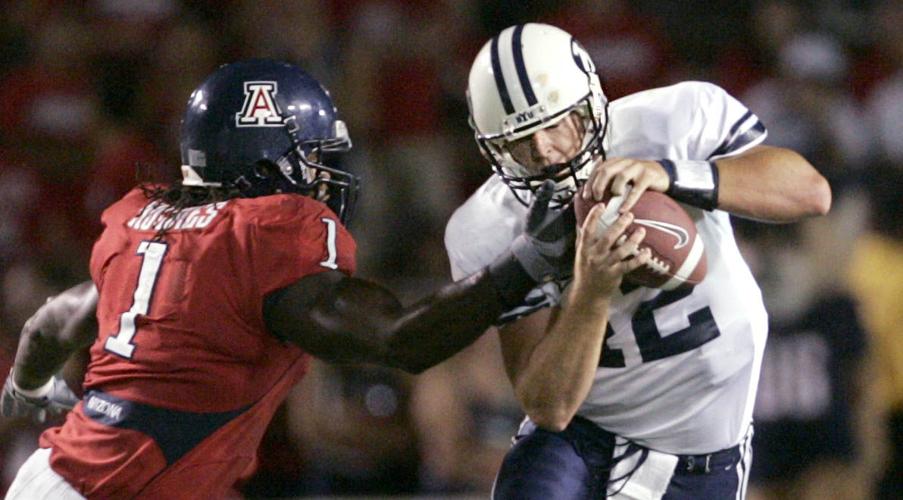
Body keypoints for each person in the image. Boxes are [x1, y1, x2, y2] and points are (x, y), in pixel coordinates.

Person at [0, 58, 645, 499]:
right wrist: (527, 262)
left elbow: (56, 317)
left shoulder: (146, 225)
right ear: (265, 154)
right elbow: (399, 339)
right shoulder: (262, 234)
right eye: (309, 158)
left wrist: (28, 387)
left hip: (52, 478)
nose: (320, 176)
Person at [445, 23, 831, 499]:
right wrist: (591, 289)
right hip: (580, 438)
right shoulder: (488, 225)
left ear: (591, 102)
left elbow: (809, 192)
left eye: (554, 125)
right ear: (491, 149)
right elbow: (549, 406)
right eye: (520, 141)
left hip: (702, 450)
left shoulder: (669, 123)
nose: (544, 152)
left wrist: (669, 174)